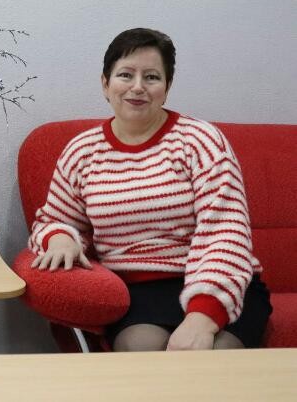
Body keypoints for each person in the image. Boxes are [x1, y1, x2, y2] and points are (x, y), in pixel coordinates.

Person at [29, 28, 272, 351]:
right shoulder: (82, 151)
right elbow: (54, 220)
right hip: (138, 292)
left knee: (213, 358)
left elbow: (226, 232)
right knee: (142, 351)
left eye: (152, 77)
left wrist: (202, 317)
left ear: (167, 88)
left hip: (218, 282)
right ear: (105, 83)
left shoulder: (200, 141)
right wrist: (60, 238)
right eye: (125, 75)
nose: (138, 87)